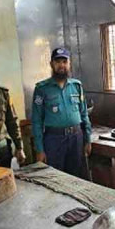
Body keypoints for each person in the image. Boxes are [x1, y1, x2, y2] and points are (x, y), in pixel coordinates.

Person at [31, 48, 92, 179]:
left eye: (64, 62)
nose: (61, 65)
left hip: (76, 138)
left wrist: (87, 139)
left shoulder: (76, 86)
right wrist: (39, 149)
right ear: (51, 64)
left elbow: (84, 114)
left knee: (77, 178)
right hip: (54, 140)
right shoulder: (42, 89)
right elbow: (36, 120)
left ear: (69, 64)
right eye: (58, 62)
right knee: (55, 177)